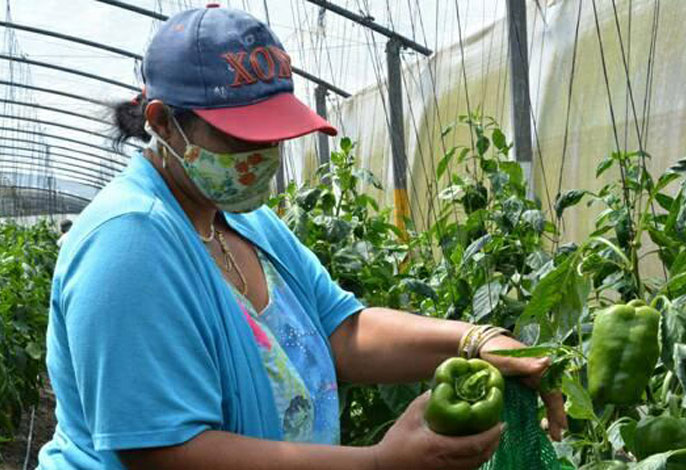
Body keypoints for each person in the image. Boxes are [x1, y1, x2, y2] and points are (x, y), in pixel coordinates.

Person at [37, 5, 566, 470]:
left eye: (273, 134)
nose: (262, 153)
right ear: (163, 123)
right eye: (239, 135)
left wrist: (472, 340)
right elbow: (165, 451)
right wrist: (379, 465)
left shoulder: (241, 218)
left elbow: (341, 331)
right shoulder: (128, 242)